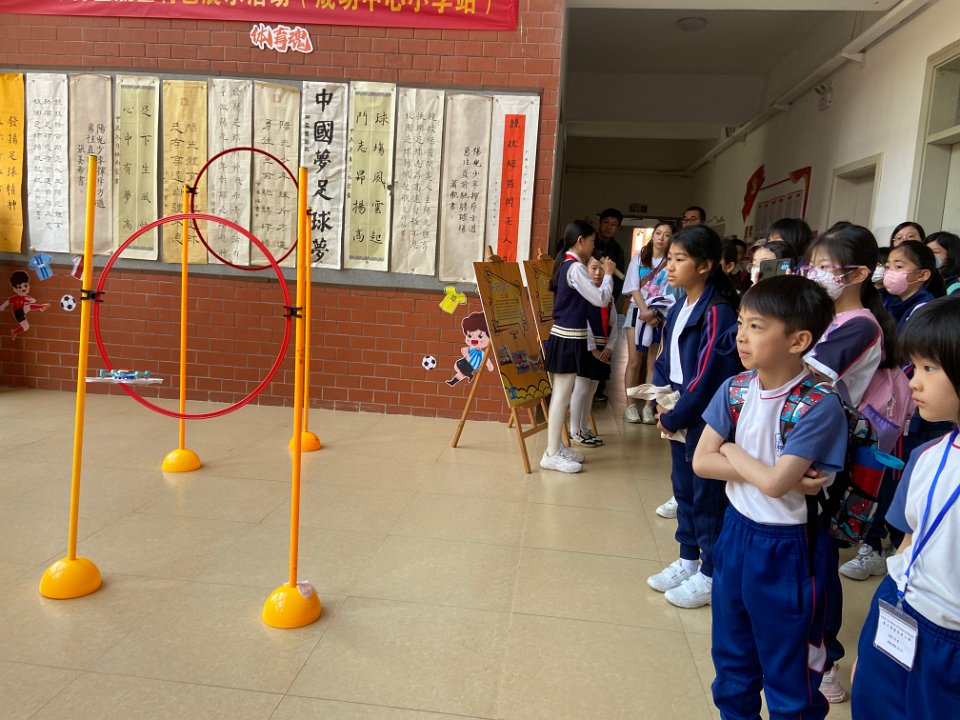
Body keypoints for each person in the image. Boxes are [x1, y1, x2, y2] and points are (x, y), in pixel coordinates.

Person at [693, 275, 847, 720]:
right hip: (737, 534)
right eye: (741, 323)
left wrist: (733, 451)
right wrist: (767, 475)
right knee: (732, 659)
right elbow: (701, 462)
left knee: (790, 671)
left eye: (757, 326)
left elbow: (778, 485)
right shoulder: (736, 389)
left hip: (790, 547)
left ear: (798, 341)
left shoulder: (819, 403)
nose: (741, 335)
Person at [799, 223, 900, 703]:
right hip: (810, 439)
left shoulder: (859, 325)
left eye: (825, 267)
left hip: (829, 449)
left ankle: (826, 660)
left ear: (858, 274)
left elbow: (806, 371)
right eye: (811, 265)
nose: (814, 274)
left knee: (819, 556)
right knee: (806, 551)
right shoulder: (830, 319)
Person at [850, 296, 960, 720]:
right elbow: (908, 543)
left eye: (930, 368)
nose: (913, 381)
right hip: (901, 609)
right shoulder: (927, 455)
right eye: (914, 366)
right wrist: (874, 642)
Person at [645, 224, 742, 609]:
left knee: (707, 497)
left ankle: (711, 572)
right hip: (678, 406)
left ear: (705, 265)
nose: (670, 266)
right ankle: (687, 558)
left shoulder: (718, 312)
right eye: (669, 258)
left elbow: (707, 378)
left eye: (679, 259)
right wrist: (660, 399)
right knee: (683, 487)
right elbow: (664, 359)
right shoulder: (679, 306)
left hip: (703, 417)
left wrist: (675, 416)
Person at [541, 220, 616, 473]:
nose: (594, 246)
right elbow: (601, 299)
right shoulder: (574, 268)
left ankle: (556, 446)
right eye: (592, 241)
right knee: (561, 395)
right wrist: (608, 275)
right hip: (566, 337)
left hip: (571, 337)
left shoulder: (571, 265)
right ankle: (551, 454)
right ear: (580, 241)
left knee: (562, 395)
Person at [623, 221, 675, 424]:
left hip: (659, 315)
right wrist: (645, 311)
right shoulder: (639, 259)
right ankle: (630, 406)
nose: (662, 237)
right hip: (636, 312)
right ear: (653, 235)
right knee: (634, 361)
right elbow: (633, 287)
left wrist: (654, 313)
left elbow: (670, 291)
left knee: (653, 362)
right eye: (659, 233)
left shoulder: (671, 262)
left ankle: (647, 406)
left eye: (667, 234)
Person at [570, 255, 621, 446]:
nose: (598, 273)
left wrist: (609, 347)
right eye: (593, 268)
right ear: (585, 270)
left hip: (602, 349)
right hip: (586, 348)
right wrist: (592, 349)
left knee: (591, 389)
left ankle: (584, 428)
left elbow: (613, 324)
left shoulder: (608, 298)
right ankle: (574, 431)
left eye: (602, 268)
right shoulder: (583, 294)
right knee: (581, 387)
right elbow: (583, 324)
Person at [592, 208, 626, 403]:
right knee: (589, 343)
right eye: (606, 222)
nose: (608, 227)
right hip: (588, 298)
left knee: (605, 343)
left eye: (613, 225)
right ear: (600, 223)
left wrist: (610, 300)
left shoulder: (617, 250)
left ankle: (599, 387)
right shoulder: (589, 242)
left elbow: (619, 280)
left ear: (618, 228)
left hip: (606, 301)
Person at [882, 241, 945, 334]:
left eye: (898, 266)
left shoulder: (923, 310)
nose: (890, 272)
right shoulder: (894, 301)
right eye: (887, 267)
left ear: (923, 275)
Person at [2, 271, 50, 338]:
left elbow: (34, 301)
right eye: (20, 287)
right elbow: (8, 301)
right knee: (28, 308)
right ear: (15, 289)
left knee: (26, 326)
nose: (23, 288)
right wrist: (2, 307)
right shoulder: (15, 298)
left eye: (25, 285)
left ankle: (15, 332)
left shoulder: (26, 297)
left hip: (22, 312)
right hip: (18, 312)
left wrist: (29, 299)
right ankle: (41, 307)